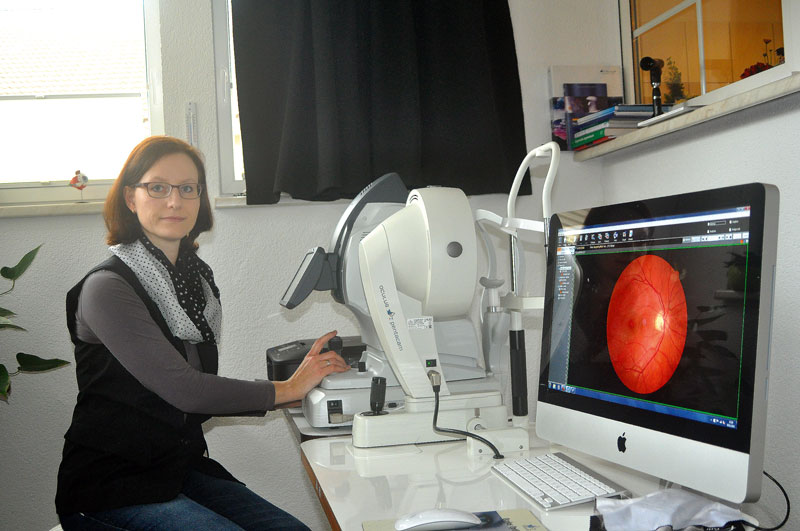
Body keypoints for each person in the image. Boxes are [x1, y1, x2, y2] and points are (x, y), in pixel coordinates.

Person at [55, 136, 350, 530]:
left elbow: (197, 398)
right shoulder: (108, 287)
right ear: (130, 197)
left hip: (178, 469)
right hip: (110, 487)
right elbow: (187, 391)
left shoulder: (197, 282)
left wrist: (308, 384)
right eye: (157, 187)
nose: (174, 201)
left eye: (188, 188)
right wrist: (288, 389)